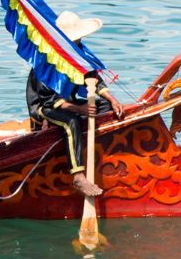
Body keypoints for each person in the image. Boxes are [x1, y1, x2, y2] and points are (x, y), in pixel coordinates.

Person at [25, 10, 125, 198]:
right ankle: (78, 176)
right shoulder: (46, 59)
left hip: (67, 102)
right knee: (71, 122)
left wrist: (112, 99)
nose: (78, 41)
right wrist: (80, 109)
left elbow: (92, 78)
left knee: (104, 107)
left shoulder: (77, 53)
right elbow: (48, 100)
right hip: (44, 107)